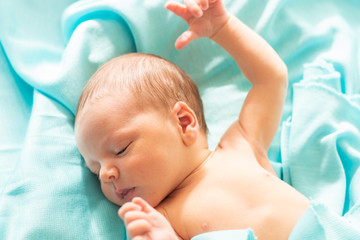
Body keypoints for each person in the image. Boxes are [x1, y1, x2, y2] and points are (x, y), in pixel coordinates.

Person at [74, 0, 310, 239]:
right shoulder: (160, 222)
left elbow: (271, 79)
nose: (105, 175)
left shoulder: (241, 146)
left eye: (120, 149)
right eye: (95, 170)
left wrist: (223, 28)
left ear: (184, 122)